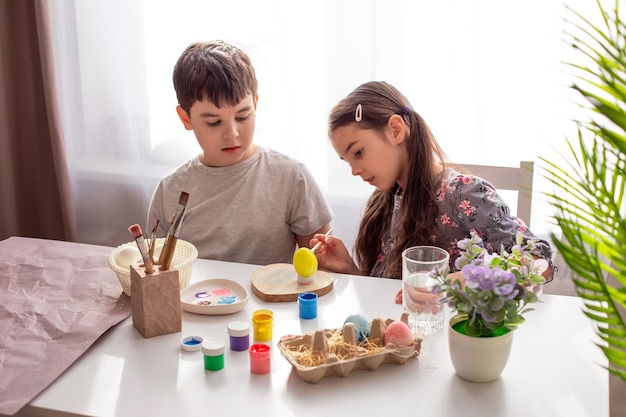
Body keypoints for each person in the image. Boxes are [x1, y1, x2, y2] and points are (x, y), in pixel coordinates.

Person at [310, 81, 554, 303]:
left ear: (396, 129)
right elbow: (391, 295)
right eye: (346, 161)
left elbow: (539, 261)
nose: (354, 170)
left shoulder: (464, 194)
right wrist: (350, 270)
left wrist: (462, 281)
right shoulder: (383, 204)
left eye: (358, 153)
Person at [147, 40, 332, 265]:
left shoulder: (291, 177)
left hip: (271, 300)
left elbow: (321, 268)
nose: (232, 134)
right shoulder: (170, 190)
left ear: (255, 104)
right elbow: (155, 274)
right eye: (214, 122)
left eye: (243, 117)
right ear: (186, 118)